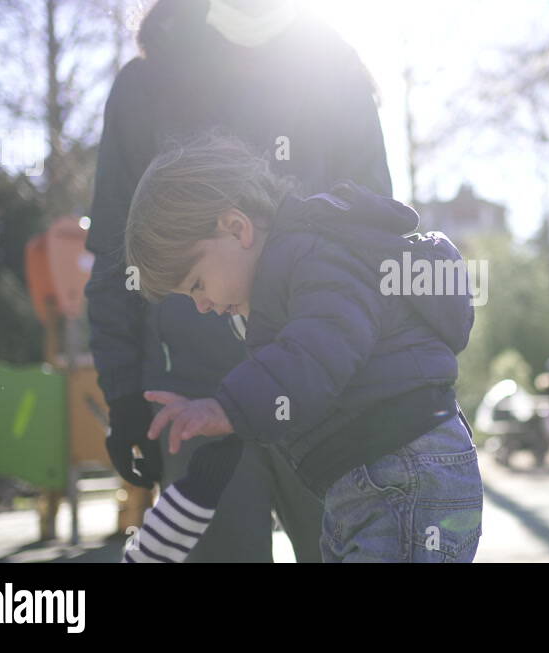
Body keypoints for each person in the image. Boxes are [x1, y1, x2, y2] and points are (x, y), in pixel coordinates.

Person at [85, 0, 392, 561]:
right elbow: (115, 249)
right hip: (193, 399)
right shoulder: (148, 82)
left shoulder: (330, 67)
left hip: (322, 395)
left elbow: (376, 234)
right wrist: (124, 395)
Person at [123, 132, 482, 562]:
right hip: (367, 483)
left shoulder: (315, 255)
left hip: (404, 473)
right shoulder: (292, 270)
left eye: (196, 284)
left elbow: (320, 347)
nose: (201, 305)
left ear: (236, 228)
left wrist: (227, 408)